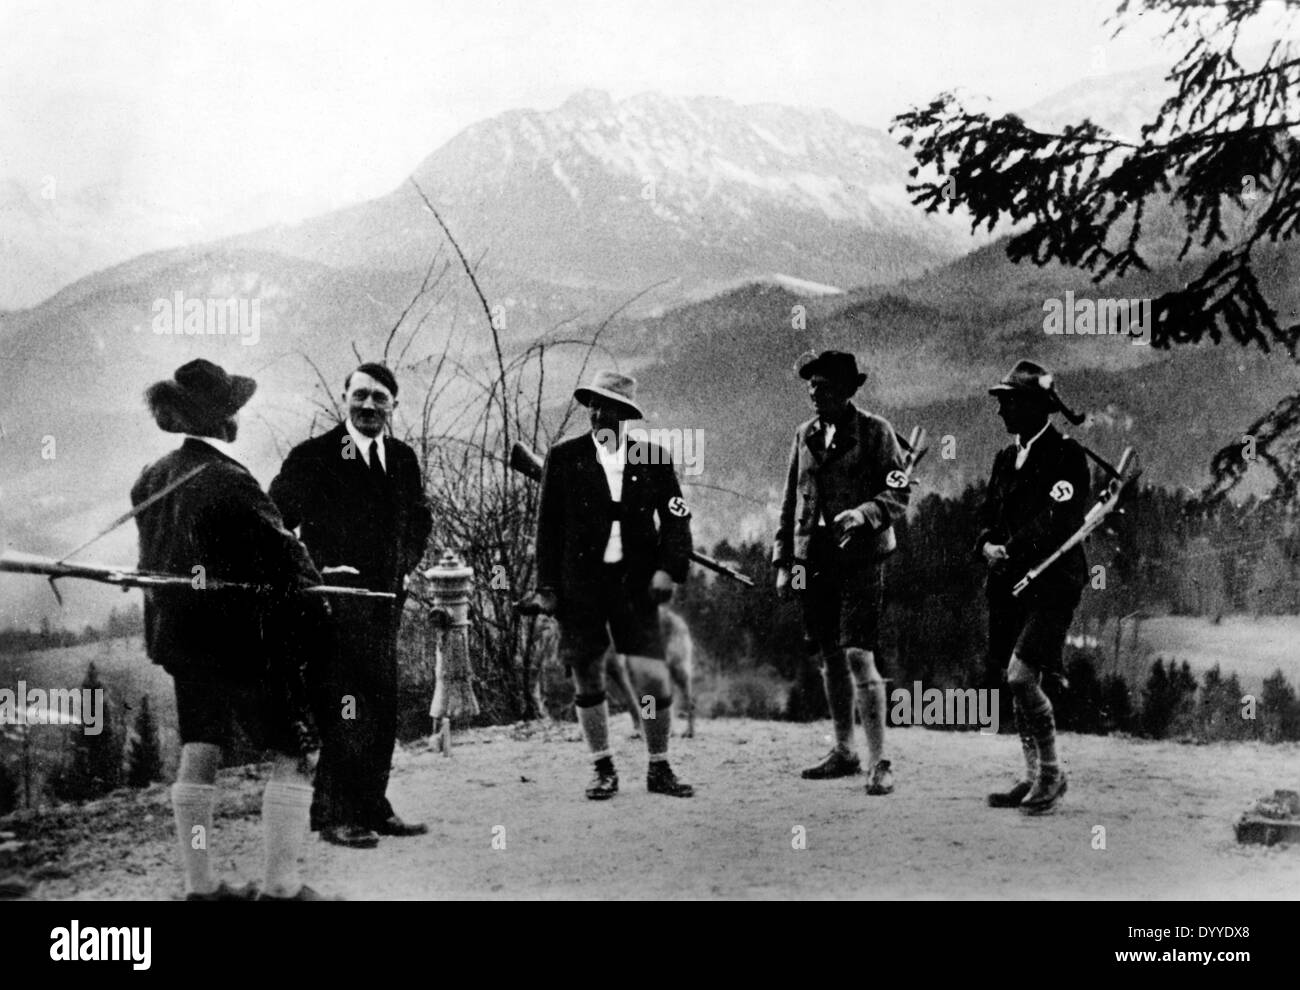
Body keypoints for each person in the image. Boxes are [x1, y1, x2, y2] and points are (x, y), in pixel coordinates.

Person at [132, 358, 330, 901]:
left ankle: (201, 886)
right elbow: (291, 564)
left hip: (181, 643)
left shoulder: (151, 479)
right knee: (295, 749)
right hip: (244, 645)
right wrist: (319, 602)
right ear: (225, 421)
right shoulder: (232, 480)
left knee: (200, 747)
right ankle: (283, 887)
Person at [269, 362, 433, 848]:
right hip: (332, 609)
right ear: (344, 398)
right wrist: (316, 574)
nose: (368, 406)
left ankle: (372, 805)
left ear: (393, 407)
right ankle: (335, 815)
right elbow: (275, 524)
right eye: (359, 395)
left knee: (382, 703)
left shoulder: (401, 458)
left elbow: (419, 519)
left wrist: (405, 566)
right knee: (345, 706)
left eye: (379, 398)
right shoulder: (313, 457)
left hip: (386, 605)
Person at [518, 371, 695, 800]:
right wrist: (548, 588)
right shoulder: (564, 458)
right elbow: (548, 531)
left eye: (609, 408)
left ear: (625, 416)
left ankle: (659, 766)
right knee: (587, 672)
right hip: (580, 586)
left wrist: (668, 570)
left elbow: (676, 520)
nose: (599, 414)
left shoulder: (653, 459)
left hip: (636, 585)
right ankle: (602, 767)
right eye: (594, 405)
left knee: (650, 676)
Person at [773, 351, 910, 795]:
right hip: (815, 563)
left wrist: (865, 513)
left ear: (848, 390)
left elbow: (898, 493)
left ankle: (880, 761)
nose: (814, 393)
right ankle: (844, 750)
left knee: (857, 654)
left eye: (825, 386)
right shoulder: (803, 435)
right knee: (829, 654)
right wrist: (784, 563)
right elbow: (792, 502)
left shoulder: (875, 432)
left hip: (862, 560)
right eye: (811, 386)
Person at [977, 360, 1090, 815]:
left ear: (1034, 406)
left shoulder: (1066, 455)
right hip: (1009, 585)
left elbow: (1058, 519)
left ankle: (1051, 773)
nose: (1001, 410)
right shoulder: (1006, 458)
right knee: (1017, 683)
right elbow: (986, 513)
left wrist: (1011, 547)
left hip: (1052, 584)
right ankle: (1031, 776)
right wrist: (986, 544)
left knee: (1021, 676)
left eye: (1009, 401)